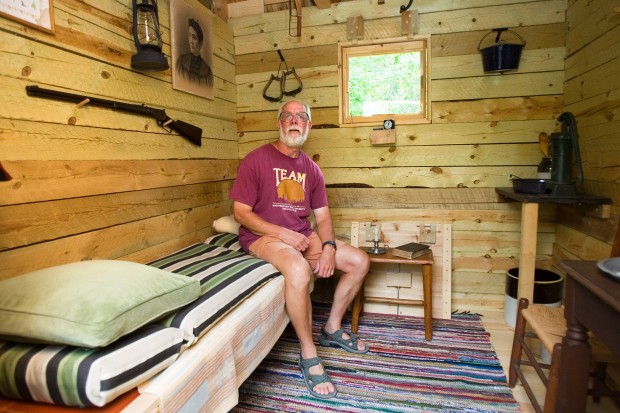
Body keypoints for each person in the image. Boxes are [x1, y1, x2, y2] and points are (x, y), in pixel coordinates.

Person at [229, 100, 370, 399]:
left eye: (301, 117)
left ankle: (331, 328)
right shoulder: (255, 160)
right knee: (297, 268)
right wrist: (283, 233)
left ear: (309, 125)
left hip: (304, 236)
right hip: (262, 236)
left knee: (359, 260)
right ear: (279, 123)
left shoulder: (312, 169)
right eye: (288, 116)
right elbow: (240, 213)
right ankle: (308, 352)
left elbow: (324, 218)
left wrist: (329, 246)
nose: (294, 121)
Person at [175, 18, 213, 88]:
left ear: (200, 43)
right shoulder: (181, 61)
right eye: (189, 35)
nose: (191, 41)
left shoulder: (208, 73)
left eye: (194, 37)